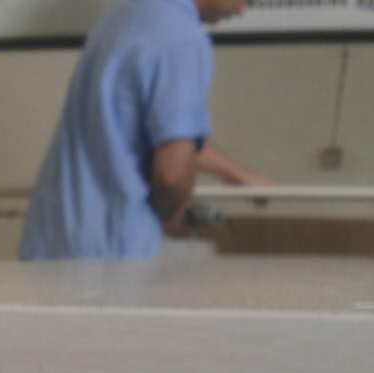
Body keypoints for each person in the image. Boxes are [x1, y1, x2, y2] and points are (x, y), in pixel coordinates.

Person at [20, 0, 267, 261]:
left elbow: (147, 131)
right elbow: (171, 175)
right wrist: (170, 214)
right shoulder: (181, 38)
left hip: (51, 239)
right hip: (111, 256)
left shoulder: (124, 15)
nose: (242, 9)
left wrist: (237, 175)